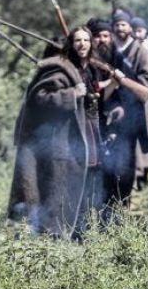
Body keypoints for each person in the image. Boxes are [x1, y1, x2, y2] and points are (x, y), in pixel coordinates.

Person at [8, 26, 108, 239]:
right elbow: (39, 97)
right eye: (77, 40)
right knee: (57, 186)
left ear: (92, 44)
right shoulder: (60, 68)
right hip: (58, 140)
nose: (82, 44)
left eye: (86, 40)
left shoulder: (86, 68)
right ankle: (48, 237)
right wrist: (72, 94)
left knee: (79, 185)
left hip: (80, 135)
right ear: (71, 44)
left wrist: (88, 98)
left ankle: (75, 234)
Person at [106, 10, 148, 203]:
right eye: (117, 25)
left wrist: (124, 81)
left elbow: (146, 81)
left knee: (130, 156)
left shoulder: (140, 51)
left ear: (130, 28)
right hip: (112, 109)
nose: (120, 28)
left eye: (123, 25)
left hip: (134, 110)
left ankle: (126, 195)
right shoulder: (109, 50)